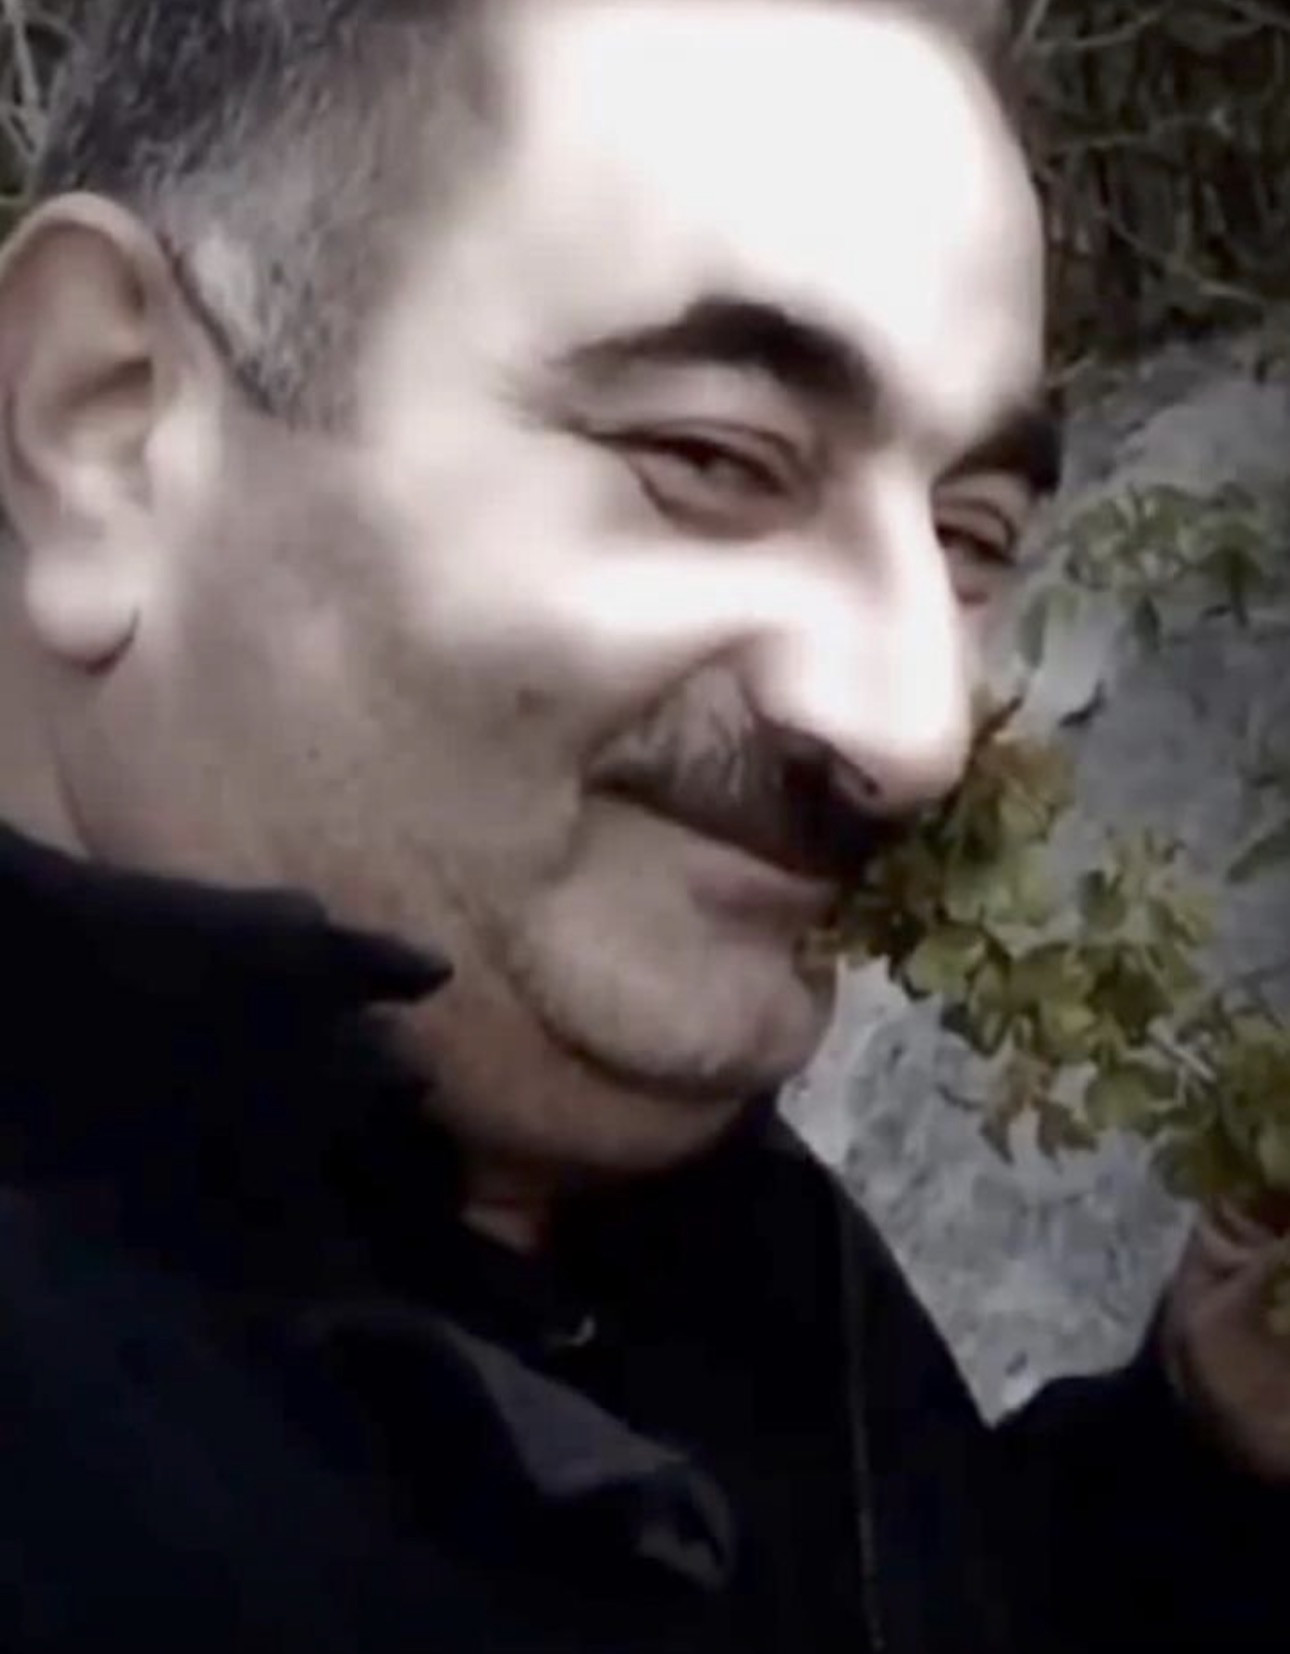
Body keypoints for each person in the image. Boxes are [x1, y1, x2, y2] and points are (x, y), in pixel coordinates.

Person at [0, 2, 1285, 1650]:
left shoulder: (673, 1204)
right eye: (714, 459)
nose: (913, 731)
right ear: (104, 422)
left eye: (969, 537)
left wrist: (1192, 1461)